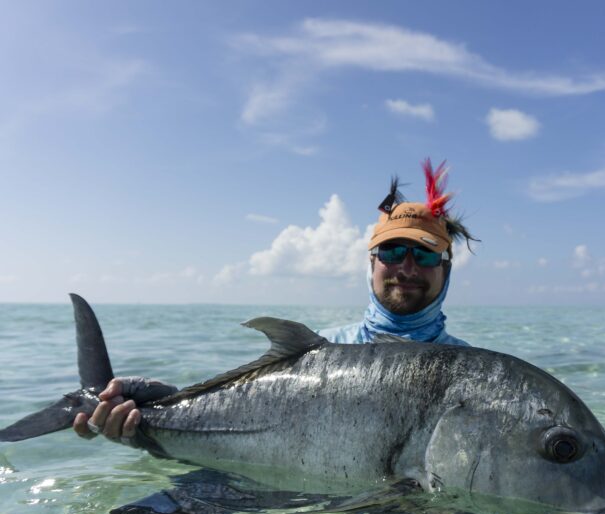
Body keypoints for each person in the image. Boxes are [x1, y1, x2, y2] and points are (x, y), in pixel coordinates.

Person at [73, 158, 477, 442]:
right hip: (308, 506)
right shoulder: (320, 351)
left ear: (446, 267)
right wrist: (157, 407)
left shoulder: (476, 380)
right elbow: (254, 415)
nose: (406, 269)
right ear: (371, 262)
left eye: (424, 255)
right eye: (391, 253)